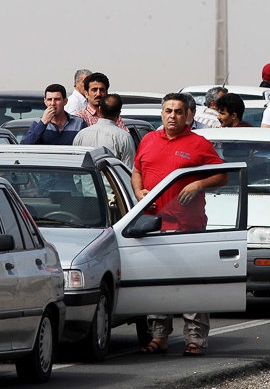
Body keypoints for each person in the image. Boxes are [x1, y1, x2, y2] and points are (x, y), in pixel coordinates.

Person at [131, 93, 227, 357]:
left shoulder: (199, 144)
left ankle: (195, 339)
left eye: (178, 111)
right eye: (168, 110)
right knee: (157, 283)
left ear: (188, 116)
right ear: (162, 114)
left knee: (191, 285)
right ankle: (158, 337)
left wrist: (198, 184)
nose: (172, 115)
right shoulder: (149, 140)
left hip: (189, 228)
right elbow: (137, 170)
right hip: (153, 227)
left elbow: (222, 175)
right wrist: (139, 191)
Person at [73, 93, 135, 169]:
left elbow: (76, 164)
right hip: (111, 180)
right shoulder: (124, 137)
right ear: (118, 113)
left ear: (100, 109)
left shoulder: (81, 134)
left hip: (87, 179)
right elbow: (128, 169)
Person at [23, 84, 87, 145]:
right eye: (49, 99)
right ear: (45, 102)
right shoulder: (38, 123)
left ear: (65, 101)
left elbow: (86, 146)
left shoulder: (79, 123)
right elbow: (26, 145)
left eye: (57, 99)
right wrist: (43, 123)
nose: (53, 103)